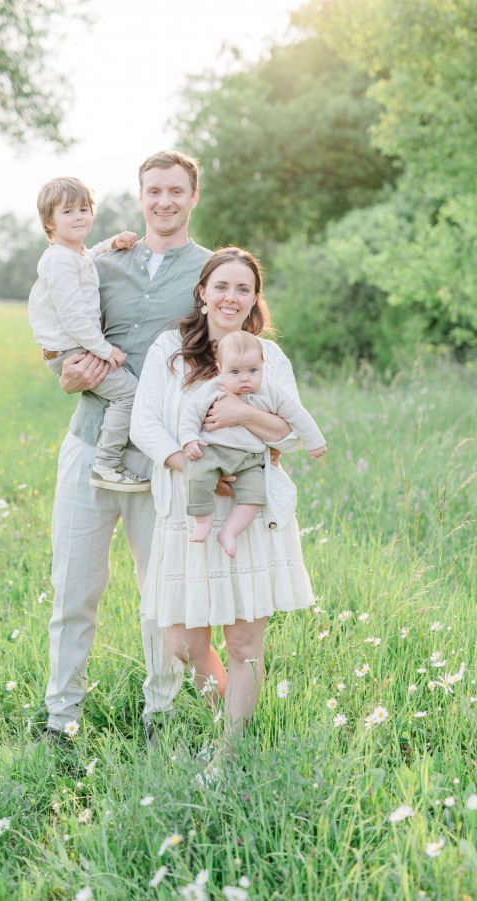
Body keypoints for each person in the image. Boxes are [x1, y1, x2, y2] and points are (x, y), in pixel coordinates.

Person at [130, 247, 320, 762]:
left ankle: (229, 755)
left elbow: (290, 432)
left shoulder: (268, 356)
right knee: (184, 643)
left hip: (246, 512)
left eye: (243, 289)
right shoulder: (171, 350)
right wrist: (192, 468)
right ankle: (226, 718)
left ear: (255, 298)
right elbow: (145, 424)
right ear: (202, 292)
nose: (231, 297)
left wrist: (241, 413)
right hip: (189, 508)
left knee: (243, 644)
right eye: (222, 286)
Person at [44, 151, 210, 738]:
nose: (164, 201)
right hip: (89, 444)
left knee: (160, 595)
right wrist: (64, 372)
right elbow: (60, 331)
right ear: (140, 197)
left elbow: (228, 352)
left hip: (160, 458)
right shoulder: (99, 262)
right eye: (154, 191)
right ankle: (60, 717)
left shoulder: (208, 271)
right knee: (73, 591)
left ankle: (160, 713)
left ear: (193, 196)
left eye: (175, 191)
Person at [28, 176, 148, 491]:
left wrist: (111, 244)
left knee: (121, 391)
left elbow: (88, 256)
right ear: (49, 222)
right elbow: (73, 318)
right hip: (71, 350)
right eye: (68, 211)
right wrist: (105, 350)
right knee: (128, 392)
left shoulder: (73, 255)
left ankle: (108, 458)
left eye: (84, 209)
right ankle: (107, 464)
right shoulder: (58, 260)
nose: (79, 216)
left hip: (74, 346)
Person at [179, 329, 326, 555]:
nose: (244, 378)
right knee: (197, 478)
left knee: (255, 497)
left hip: (250, 458)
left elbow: (298, 415)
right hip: (213, 451)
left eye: (252, 370)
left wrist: (314, 442)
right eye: (235, 372)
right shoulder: (214, 388)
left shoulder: (271, 393)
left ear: (262, 365)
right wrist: (189, 439)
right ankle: (203, 522)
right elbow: (191, 414)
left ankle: (229, 531)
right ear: (220, 368)